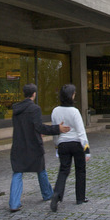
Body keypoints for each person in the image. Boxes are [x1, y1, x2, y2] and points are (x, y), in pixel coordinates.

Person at [9, 83, 70, 213]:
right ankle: (47, 194)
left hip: (18, 145)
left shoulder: (16, 109)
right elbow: (39, 127)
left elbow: (25, 126)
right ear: (34, 94)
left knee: (18, 173)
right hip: (33, 145)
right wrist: (57, 129)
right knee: (41, 170)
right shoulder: (35, 109)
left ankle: (14, 203)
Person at [50, 84, 90, 212]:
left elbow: (55, 130)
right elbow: (81, 131)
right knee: (80, 170)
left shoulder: (55, 111)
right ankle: (80, 197)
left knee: (63, 170)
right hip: (76, 143)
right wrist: (86, 149)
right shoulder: (74, 111)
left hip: (62, 143)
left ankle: (57, 194)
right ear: (71, 96)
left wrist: (56, 145)